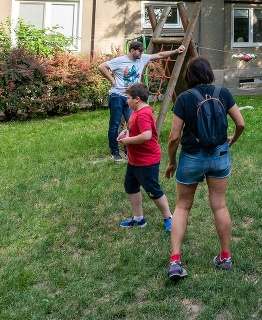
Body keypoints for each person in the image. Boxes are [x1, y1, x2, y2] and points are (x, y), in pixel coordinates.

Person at [165, 57, 246, 281]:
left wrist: (172, 160)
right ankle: (225, 257)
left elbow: (173, 137)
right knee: (219, 206)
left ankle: (175, 262)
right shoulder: (224, 92)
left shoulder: (183, 98)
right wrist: (232, 141)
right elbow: (241, 123)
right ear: (209, 72)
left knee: (182, 207)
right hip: (219, 155)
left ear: (188, 76)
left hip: (191, 157)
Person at [98, 39, 186, 162]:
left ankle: (128, 150)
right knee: (115, 124)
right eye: (139, 51)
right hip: (117, 96)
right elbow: (102, 66)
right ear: (132, 50)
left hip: (133, 98)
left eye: (142, 52)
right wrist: (112, 80)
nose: (141, 54)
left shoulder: (142, 58)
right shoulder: (120, 60)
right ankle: (115, 152)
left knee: (131, 124)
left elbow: (160, 55)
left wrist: (176, 51)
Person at [117, 82, 172, 231]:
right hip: (135, 160)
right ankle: (138, 219)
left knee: (152, 189)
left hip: (147, 160)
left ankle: (169, 218)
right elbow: (133, 129)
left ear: (136, 99)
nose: (126, 100)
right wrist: (125, 133)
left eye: (128, 98)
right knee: (131, 187)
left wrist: (127, 141)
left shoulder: (143, 114)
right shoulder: (135, 111)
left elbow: (147, 135)